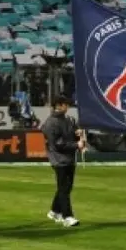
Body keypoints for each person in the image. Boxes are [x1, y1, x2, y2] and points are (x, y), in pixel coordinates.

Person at [42, 96, 85, 227]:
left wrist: (77, 134)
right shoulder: (51, 123)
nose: (68, 107)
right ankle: (68, 216)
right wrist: (76, 145)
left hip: (69, 158)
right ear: (59, 106)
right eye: (66, 105)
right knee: (64, 188)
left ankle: (55, 210)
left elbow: (71, 134)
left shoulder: (69, 120)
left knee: (66, 187)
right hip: (58, 159)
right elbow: (57, 144)